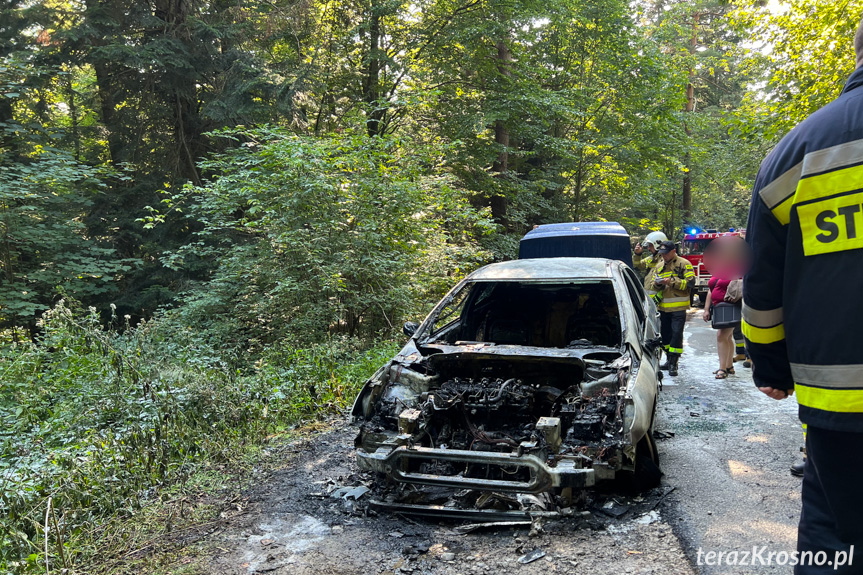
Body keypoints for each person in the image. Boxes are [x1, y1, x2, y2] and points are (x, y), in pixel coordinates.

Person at [742, 19, 863, 574]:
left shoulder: (795, 154)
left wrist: (770, 366)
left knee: (834, 539)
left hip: (842, 408)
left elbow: (762, 294)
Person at [650, 240, 695, 377]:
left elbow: (691, 284)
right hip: (663, 308)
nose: (664, 256)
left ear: (673, 252)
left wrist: (671, 282)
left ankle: (674, 363)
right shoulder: (659, 266)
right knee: (666, 335)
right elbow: (653, 285)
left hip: (678, 307)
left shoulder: (684, 264)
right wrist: (658, 284)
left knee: (676, 334)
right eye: (662, 254)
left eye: (666, 253)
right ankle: (669, 359)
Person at [701, 276, 737, 379]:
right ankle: (729, 366)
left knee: (721, 336)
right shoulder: (719, 270)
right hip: (719, 309)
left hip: (731, 309)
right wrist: (706, 309)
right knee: (727, 337)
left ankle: (722, 369)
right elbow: (711, 290)